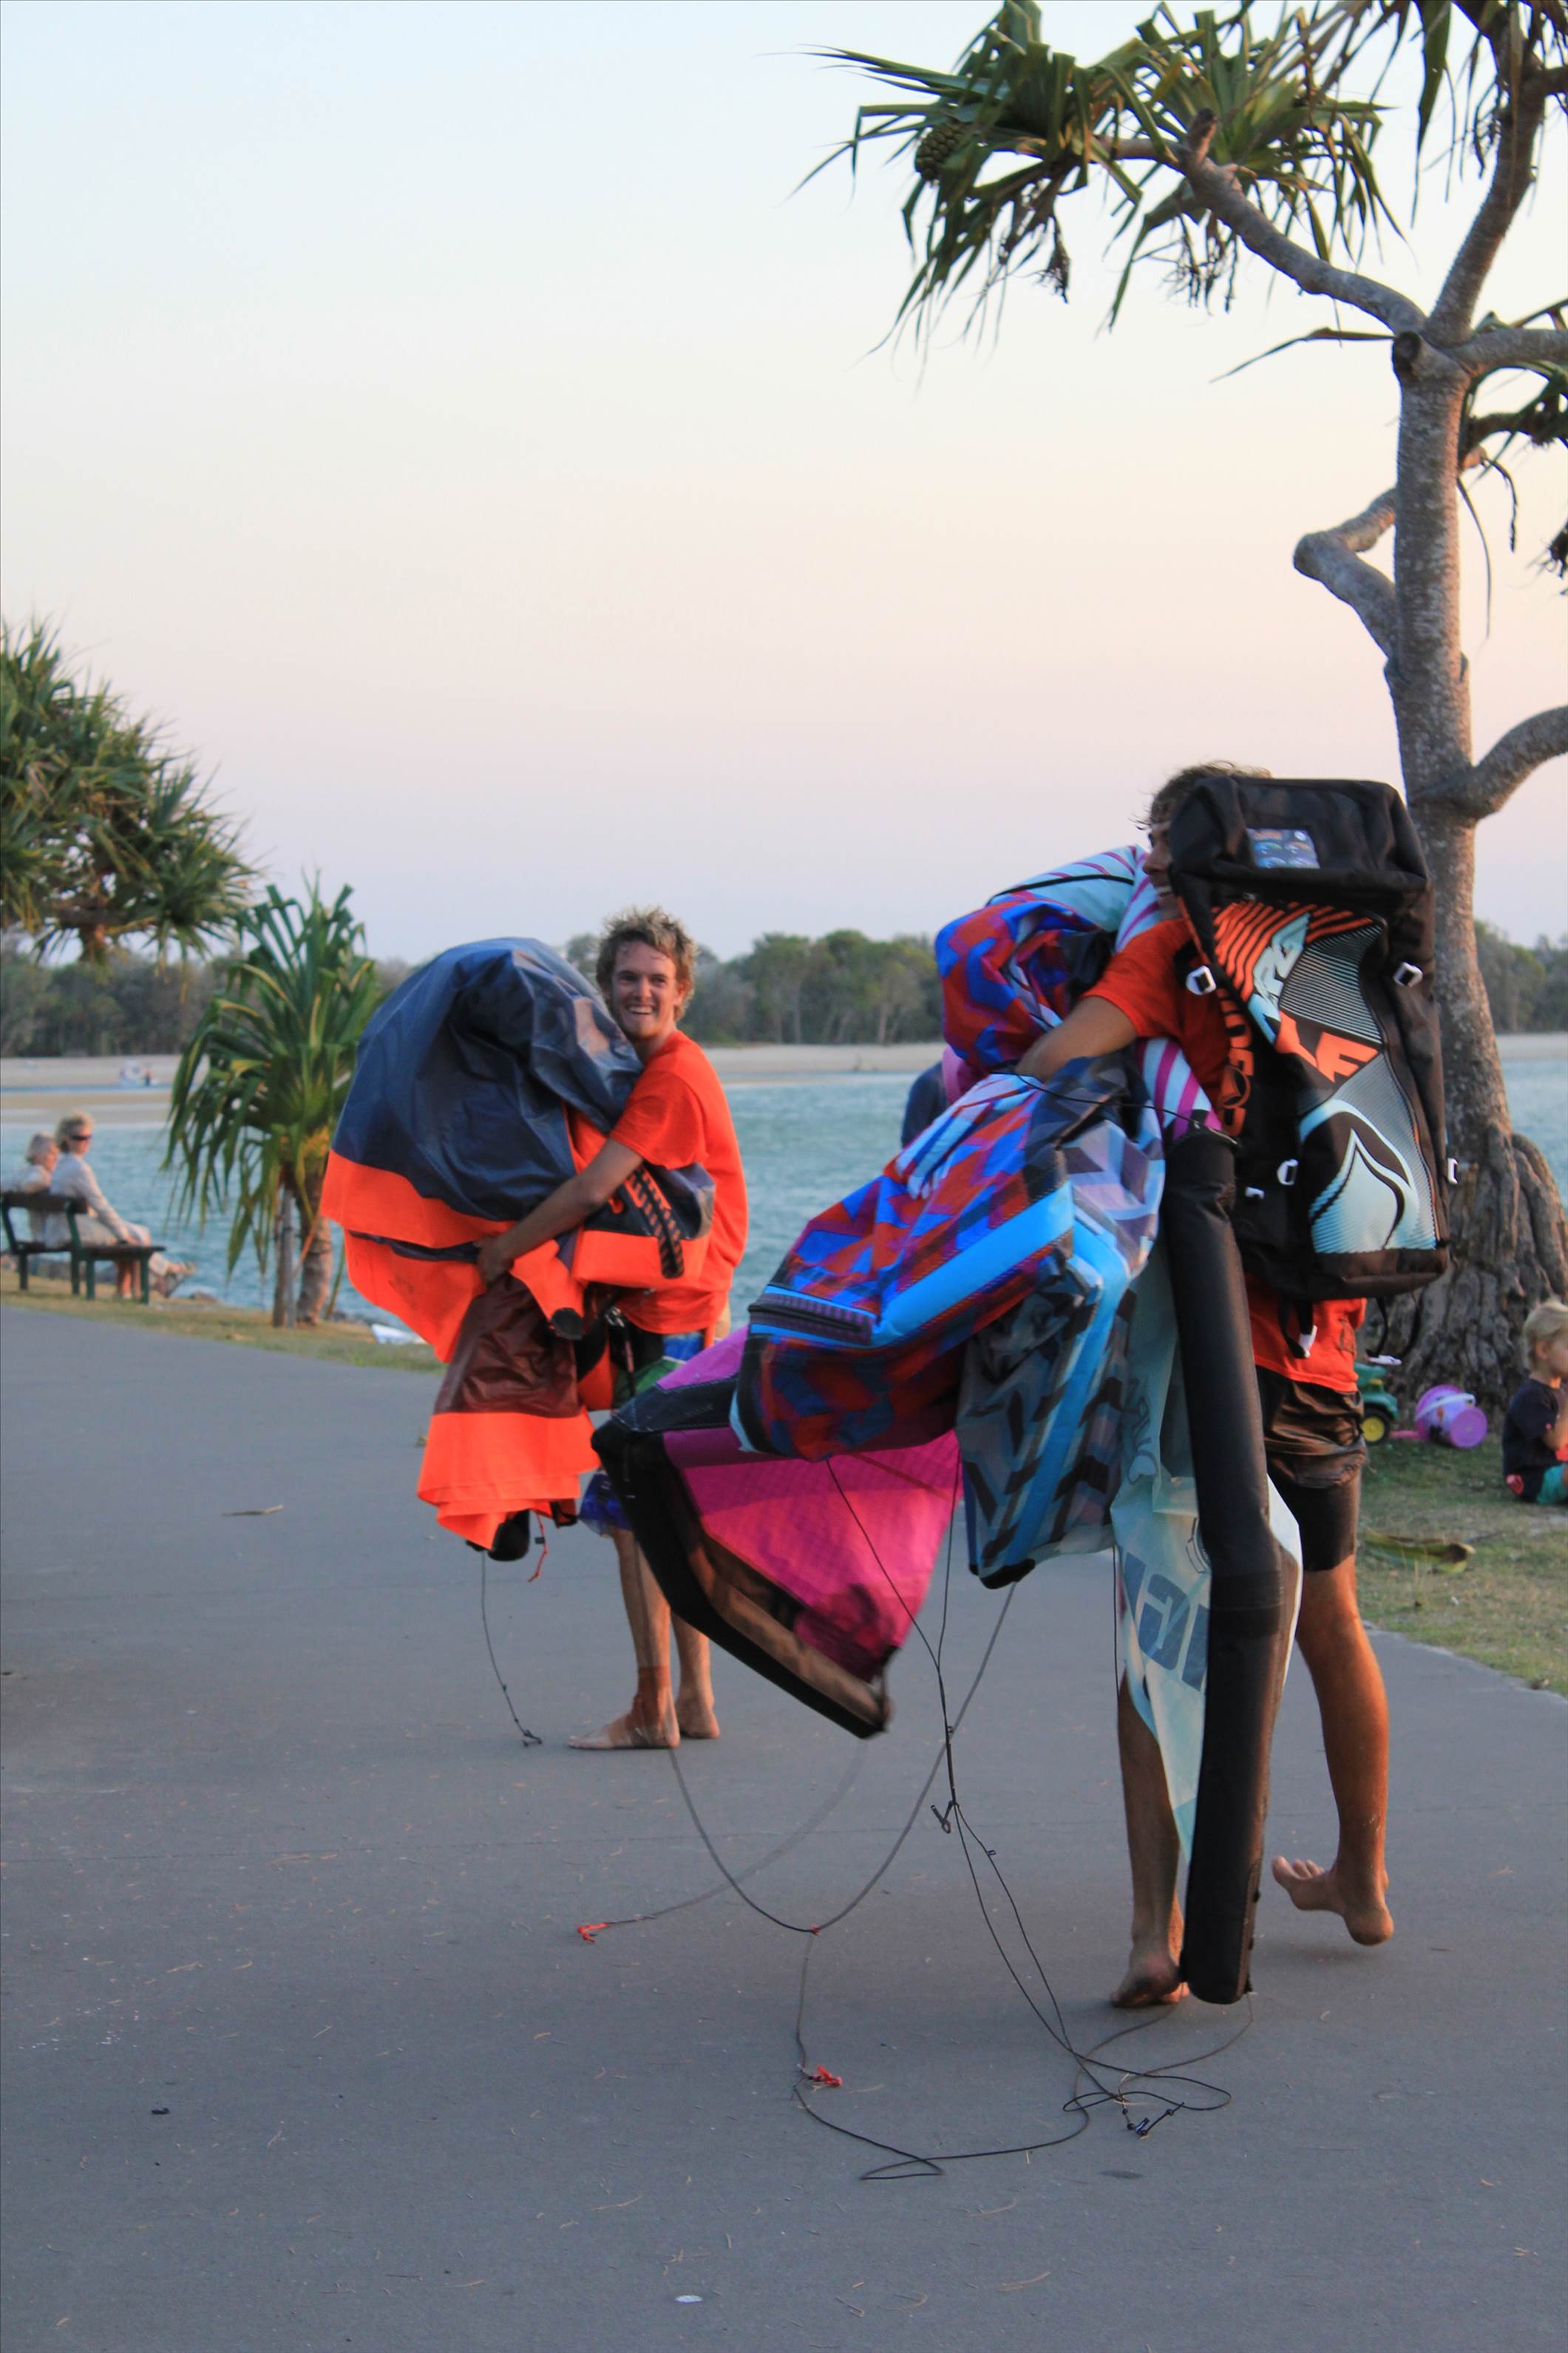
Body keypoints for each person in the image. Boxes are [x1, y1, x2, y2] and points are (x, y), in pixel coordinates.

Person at [1017, 764, 1393, 2005]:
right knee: (1328, 1616)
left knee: (1161, 1631)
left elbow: (1060, 1055)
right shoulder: (1325, 950)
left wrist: (1033, 1052)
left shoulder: (1175, 947)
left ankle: (1156, 1929)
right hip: (1325, 1336)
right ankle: (1362, 1877)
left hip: (1211, 1354)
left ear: (1175, 850)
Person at [475, 909, 749, 1751]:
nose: (641, 992)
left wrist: (505, 1250)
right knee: (674, 1515)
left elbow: (595, 1189)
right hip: (681, 1318)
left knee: (637, 1521)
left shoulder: (670, 1077)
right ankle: (695, 1701)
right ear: (605, 987)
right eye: (627, 978)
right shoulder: (657, 1067)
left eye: (657, 980)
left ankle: (651, 1709)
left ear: (683, 991)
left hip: (669, 1328)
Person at [46, 1113, 193, 1300]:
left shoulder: (62, 1165)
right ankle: (140, 1290)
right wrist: (122, 1233)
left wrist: (120, 1231)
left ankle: (128, 1289)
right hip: (74, 1230)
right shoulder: (78, 1168)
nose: (86, 1142)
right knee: (136, 1237)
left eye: (89, 1137)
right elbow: (100, 1205)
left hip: (65, 1226)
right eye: (80, 1138)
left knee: (134, 1234)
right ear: (67, 1140)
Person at [1502, 1300, 1568, 1506]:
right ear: (1544, 1350)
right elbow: (1556, 1442)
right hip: (1535, 1479)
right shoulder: (1530, 1397)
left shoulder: (1562, 1391)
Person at [8, 1133, 60, 1240]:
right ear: (36, 1154)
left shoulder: (23, 1173)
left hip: (37, 1237)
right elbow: (31, 1185)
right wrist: (53, 1182)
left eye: (57, 1154)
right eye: (52, 1153)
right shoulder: (40, 1173)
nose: (56, 1158)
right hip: (52, 1239)